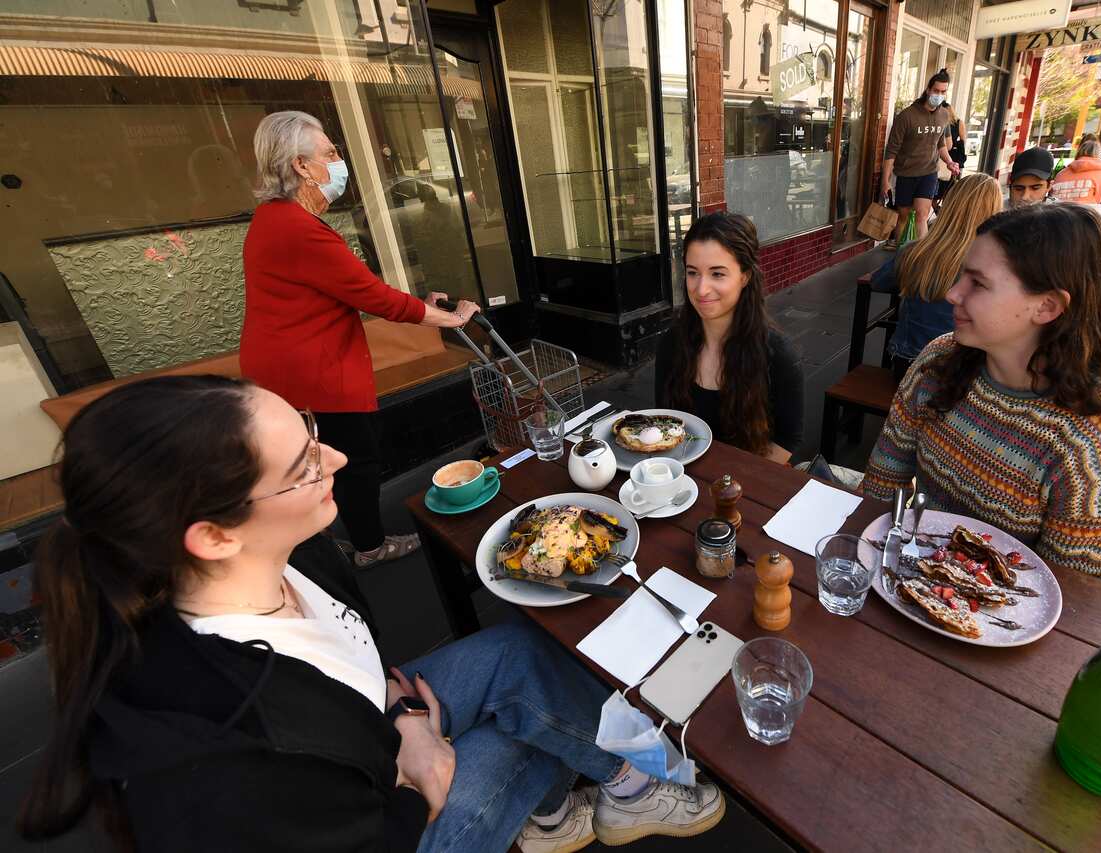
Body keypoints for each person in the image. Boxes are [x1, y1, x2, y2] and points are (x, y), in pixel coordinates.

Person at [17, 376, 725, 852]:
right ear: (214, 535)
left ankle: (597, 798)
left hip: (371, 732)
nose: (336, 457)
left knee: (522, 652)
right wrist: (416, 791)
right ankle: (599, 793)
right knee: (530, 735)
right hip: (389, 826)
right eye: (302, 465)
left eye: (310, 431)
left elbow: (355, 658)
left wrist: (402, 715)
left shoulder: (299, 550)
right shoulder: (222, 768)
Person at [859, 204, 1101, 580]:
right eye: (961, 276)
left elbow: (1071, 596)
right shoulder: (939, 361)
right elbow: (880, 486)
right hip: (902, 573)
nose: (952, 293)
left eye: (978, 283)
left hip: (1003, 610)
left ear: (1047, 306)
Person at [240, 111, 480, 570]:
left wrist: (420, 305)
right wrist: (451, 319)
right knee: (354, 461)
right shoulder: (298, 228)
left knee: (315, 462)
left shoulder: (275, 219)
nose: (339, 160)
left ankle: (328, 543)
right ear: (301, 166)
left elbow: (346, 288)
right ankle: (370, 547)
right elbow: (375, 297)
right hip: (314, 374)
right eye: (329, 152)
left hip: (287, 370)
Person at [655, 211, 803, 464]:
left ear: (744, 276)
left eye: (717, 274)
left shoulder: (777, 354)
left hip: (747, 479)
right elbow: (663, 421)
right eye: (692, 272)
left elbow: (786, 441)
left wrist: (726, 479)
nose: (701, 289)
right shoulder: (672, 343)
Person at [870, 173, 1003, 379]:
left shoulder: (914, 251)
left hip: (909, 363)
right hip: (966, 372)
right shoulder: (1000, 265)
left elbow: (878, 282)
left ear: (949, 206)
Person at [880, 69, 963, 244]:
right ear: (928, 90)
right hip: (906, 173)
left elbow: (941, 144)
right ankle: (900, 252)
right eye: (936, 91)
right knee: (903, 217)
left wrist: (949, 162)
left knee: (922, 215)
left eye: (943, 92)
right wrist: (885, 180)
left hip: (929, 173)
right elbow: (891, 150)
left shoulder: (944, 115)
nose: (939, 95)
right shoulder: (907, 116)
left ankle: (920, 255)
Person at [1051, 139, 1101, 204]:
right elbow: (1098, 200)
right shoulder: (1100, 174)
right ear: (1099, 154)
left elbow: (1052, 197)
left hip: (1057, 208)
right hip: (1084, 209)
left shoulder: (1061, 173)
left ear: (1079, 151)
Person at [933, 115, 967, 209]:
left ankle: (938, 211)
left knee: (935, 193)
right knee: (947, 193)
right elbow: (962, 143)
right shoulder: (958, 123)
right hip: (950, 160)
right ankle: (942, 212)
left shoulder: (938, 119)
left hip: (943, 160)